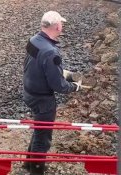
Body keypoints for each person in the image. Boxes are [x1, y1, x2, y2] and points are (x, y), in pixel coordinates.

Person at [22, 11, 81, 175]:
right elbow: (59, 86)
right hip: (42, 100)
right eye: (61, 24)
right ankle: (36, 171)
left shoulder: (34, 40)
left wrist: (60, 71)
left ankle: (28, 164)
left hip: (29, 92)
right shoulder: (51, 52)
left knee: (39, 129)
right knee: (43, 139)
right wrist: (75, 86)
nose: (62, 26)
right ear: (57, 26)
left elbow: (36, 65)